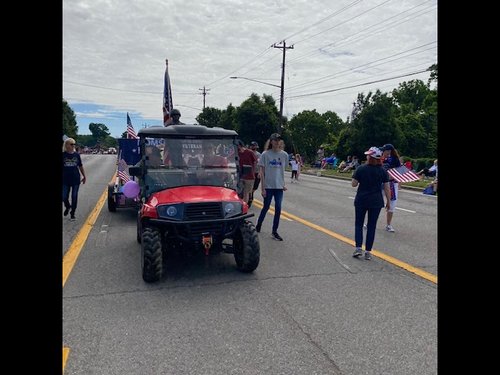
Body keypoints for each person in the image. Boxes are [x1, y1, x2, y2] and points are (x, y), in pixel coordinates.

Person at [351, 147, 391, 260]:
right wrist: (388, 201)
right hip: (376, 201)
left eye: (368, 155)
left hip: (361, 200)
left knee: (359, 224)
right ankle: (368, 251)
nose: (367, 156)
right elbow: (387, 188)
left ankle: (358, 247)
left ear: (370, 157)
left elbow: (353, 184)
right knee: (371, 226)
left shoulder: (361, 168)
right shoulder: (383, 170)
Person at [255, 133, 289, 241]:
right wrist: (263, 188)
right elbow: (262, 172)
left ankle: (274, 231)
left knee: (278, 208)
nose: (277, 142)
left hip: (279, 187)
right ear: (271, 141)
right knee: (266, 207)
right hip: (268, 186)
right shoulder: (265, 154)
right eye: (275, 140)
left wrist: (283, 184)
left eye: (278, 140)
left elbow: (283, 171)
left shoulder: (284, 155)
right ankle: (259, 224)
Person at [62, 138, 86, 221]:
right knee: (64, 196)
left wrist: (84, 176)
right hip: (65, 179)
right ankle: (68, 206)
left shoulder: (76, 155)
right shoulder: (63, 155)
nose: (73, 146)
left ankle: (72, 213)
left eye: (74, 144)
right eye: (71, 144)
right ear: (67, 145)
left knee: (74, 196)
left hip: (75, 179)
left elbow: (80, 166)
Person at [380, 143, 401, 233]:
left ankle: (388, 225)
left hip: (392, 184)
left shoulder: (395, 160)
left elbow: (399, 172)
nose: (382, 152)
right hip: (380, 183)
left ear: (388, 151)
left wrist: (398, 182)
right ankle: (370, 222)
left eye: (384, 150)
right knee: (375, 203)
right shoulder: (379, 158)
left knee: (391, 205)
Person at [237, 140, 257, 205]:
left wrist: (254, 170)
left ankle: (244, 206)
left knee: (246, 192)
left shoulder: (249, 152)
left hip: (249, 176)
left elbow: (255, 161)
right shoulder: (237, 153)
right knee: (238, 191)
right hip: (240, 176)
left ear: (239, 145)